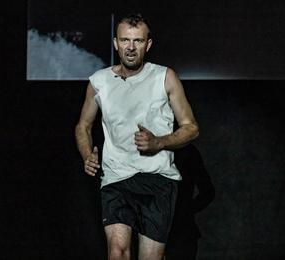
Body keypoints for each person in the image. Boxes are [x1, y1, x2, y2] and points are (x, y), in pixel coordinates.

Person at [75, 13, 199, 260]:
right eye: (125, 40)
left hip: (158, 179)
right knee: (117, 252)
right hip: (116, 176)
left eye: (138, 41)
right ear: (115, 43)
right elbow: (83, 126)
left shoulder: (165, 77)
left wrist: (159, 142)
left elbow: (191, 127)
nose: (131, 48)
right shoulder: (99, 81)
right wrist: (87, 154)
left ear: (148, 45)